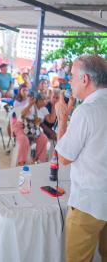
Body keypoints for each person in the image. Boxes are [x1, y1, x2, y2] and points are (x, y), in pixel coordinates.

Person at [54, 55, 107, 262]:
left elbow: (64, 157)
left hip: (89, 203)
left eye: (72, 76)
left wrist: (63, 118)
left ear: (85, 79)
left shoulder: (86, 111)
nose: (70, 82)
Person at [12, 93, 49, 166]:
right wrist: (30, 104)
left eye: (46, 99)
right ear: (37, 101)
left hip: (34, 129)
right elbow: (22, 115)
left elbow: (50, 120)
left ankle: (38, 161)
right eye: (43, 99)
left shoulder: (44, 109)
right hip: (21, 126)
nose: (45, 101)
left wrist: (54, 105)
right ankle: (21, 162)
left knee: (44, 138)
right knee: (24, 140)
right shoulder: (31, 106)